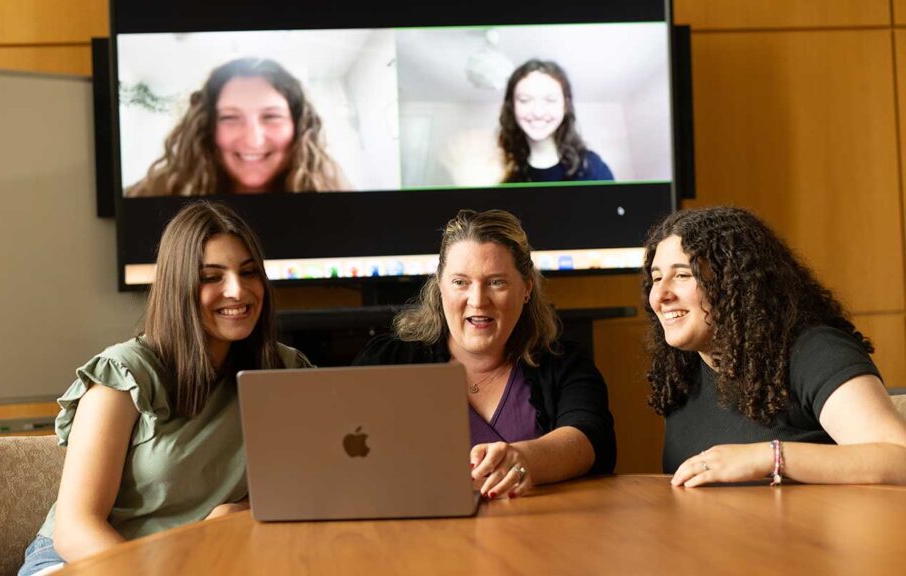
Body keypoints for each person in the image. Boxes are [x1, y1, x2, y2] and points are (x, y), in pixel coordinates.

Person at [18, 201, 312, 575]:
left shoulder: (284, 371)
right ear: (180, 286)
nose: (237, 291)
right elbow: (76, 531)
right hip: (90, 561)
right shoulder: (123, 376)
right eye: (212, 276)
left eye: (249, 272)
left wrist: (240, 510)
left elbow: (310, 487)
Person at [353, 209, 616, 499]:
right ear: (440, 285)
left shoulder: (564, 362)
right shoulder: (388, 360)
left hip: (538, 535)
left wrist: (524, 458)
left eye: (496, 282)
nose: (478, 300)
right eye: (460, 282)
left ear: (526, 287)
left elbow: (592, 437)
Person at [644, 206, 906, 487]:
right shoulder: (681, 372)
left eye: (682, 275)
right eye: (657, 278)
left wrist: (769, 458)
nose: (660, 295)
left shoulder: (815, 352)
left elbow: (899, 458)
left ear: (736, 282)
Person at [127, 57, 347, 197]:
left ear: (298, 126)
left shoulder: (333, 192)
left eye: (271, 116)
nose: (253, 140)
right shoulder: (151, 193)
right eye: (231, 117)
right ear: (208, 127)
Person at [498, 59, 614, 183]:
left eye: (550, 100)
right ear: (512, 107)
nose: (538, 112)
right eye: (525, 100)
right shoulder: (510, 183)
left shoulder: (591, 167)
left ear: (565, 106)